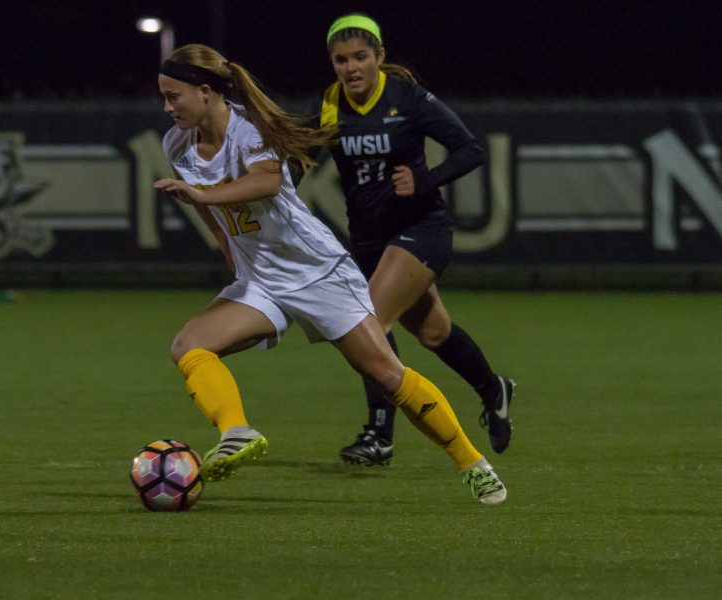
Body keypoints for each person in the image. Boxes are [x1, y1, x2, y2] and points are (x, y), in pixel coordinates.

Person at [152, 43, 507, 505]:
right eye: (163, 96)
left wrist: (201, 196)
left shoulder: (248, 128)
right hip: (262, 280)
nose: (167, 106)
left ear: (205, 91)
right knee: (188, 344)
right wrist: (232, 258)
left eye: (173, 95)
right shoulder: (176, 142)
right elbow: (214, 217)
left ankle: (472, 464)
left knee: (385, 373)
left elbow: (266, 180)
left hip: (316, 270)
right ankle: (237, 432)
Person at [313, 14, 516, 466]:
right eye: (341, 59)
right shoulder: (331, 102)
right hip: (369, 239)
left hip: (422, 229)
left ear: (380, 57)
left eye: (361, 57)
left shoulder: (408, 97)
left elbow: (470, 149)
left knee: (368, 321)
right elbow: (303, 154)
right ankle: (494, 389)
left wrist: (426, 180)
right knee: (433, 331)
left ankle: (379, 436)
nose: (351, 68)